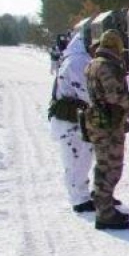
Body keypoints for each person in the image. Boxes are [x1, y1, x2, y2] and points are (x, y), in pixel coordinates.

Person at [84, 30, 129, 230]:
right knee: (111, 167)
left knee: (103, 165)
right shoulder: (107, 66)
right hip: (108, 123)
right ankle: (105, 213)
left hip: (99, 120)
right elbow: (114, 96)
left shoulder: (93, 63)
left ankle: (104, 206)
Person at [48, 33, 94, 212]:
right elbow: (85, 91)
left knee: (82, 158)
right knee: (75, 159)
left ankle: (81, 194)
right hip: (70, 122)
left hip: (75, 120)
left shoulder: (75, 59)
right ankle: (78, 199)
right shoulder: (76, 62)